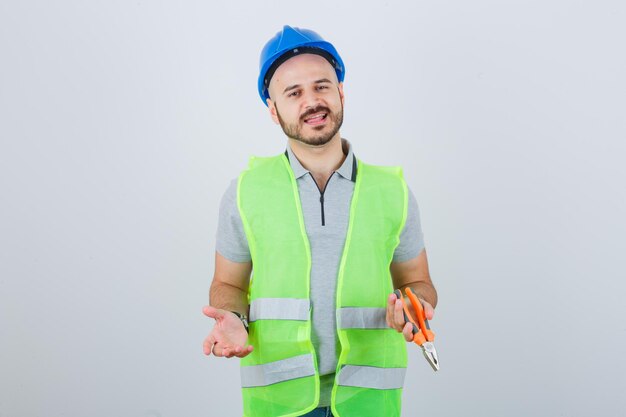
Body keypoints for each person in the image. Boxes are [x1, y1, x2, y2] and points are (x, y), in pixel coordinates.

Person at [202, 25, 438, 417]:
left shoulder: (392, 191)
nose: (312, 101)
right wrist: (232, 317)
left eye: (322, 86)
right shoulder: (246, 192)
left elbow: (418, 281)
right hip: (280, 402)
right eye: (293, 93)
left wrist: (417, 306)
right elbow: (227, 283)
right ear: (273, 110)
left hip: (368, 400)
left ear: (341, 93)